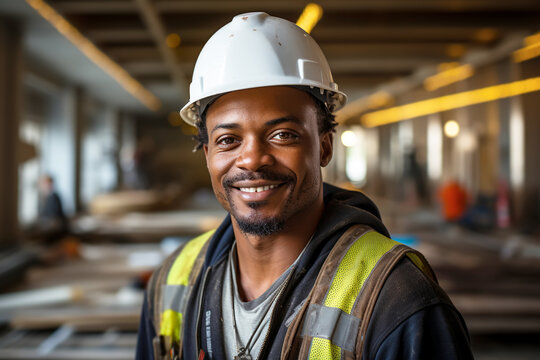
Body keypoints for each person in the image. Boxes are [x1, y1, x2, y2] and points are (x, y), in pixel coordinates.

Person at [136, 13, 472, 360]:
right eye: (229, 140)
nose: (252, 159)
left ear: (324, 146)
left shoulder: (396, 299)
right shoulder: (171, 283)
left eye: (283, 135)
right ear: (208, 155)